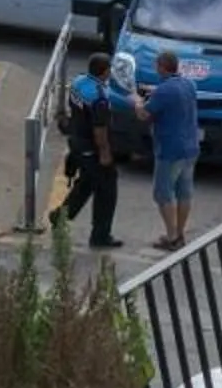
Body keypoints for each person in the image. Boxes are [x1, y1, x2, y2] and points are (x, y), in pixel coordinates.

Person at [56, 51, 123, 249]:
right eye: (109, 68)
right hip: (91, 148)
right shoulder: (100, 97)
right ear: (104, 72)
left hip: (76, 142)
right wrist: (105, 153)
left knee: (86, 183)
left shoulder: (78, 82)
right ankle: (100, 235)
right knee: (106, 190)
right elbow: (99, 130)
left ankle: (59, 217)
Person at [138, 48, 200, 250]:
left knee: (163, 193)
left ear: (161, 67)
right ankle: (180, 233)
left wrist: (137, 101)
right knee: (184, 191)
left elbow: (144, 114)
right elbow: (170, 99)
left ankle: (171, 236)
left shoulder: (163, 91)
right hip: (190, 146)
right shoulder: (188, 84)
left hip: (170, 149)